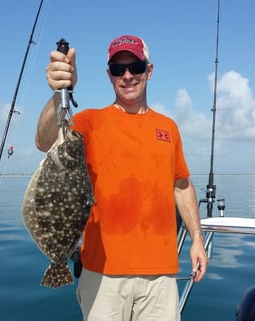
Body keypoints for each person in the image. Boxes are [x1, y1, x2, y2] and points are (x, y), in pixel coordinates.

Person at [36, 34, 208, 321]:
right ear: (109, 75)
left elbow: (181, 185)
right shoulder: (89, 122)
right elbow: (45, 141)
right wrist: (59, 93)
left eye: (135, 67)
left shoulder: (168, 128)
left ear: (148, 70)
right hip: (102, 274)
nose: (127, 76)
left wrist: (197, 241)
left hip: (161, 274)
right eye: (118, 69)